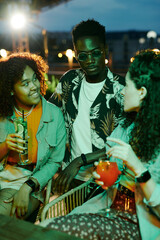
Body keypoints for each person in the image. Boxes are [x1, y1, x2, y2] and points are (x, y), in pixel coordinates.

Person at [40, 49, 160, 240]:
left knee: (51, 230)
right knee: (46, 227)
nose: (122, 90)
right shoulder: (127, 128)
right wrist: (103, 175)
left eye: (127, 85)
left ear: (142, 92)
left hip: (138, 224)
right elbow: (109, 162)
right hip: (108, 209)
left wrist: (138, 168)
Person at [49, 19, 125, 193]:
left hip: (106, 180)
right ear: (76, 54)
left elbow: (125, 143)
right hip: (70, 178)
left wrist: (81, 161)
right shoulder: (69, 81)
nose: (89, 60)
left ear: (105, 50)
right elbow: (49, 114)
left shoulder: (122, 91)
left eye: (96, 53)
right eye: (82, 55)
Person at [0, 52, 66, 221]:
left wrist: (27, 186)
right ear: (10, 90)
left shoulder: (54, 114)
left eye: (35, 79)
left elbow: (54, 162)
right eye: (25, 83)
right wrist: (6, 146)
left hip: (27, 181)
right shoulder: (2, 112)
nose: (34, 86)